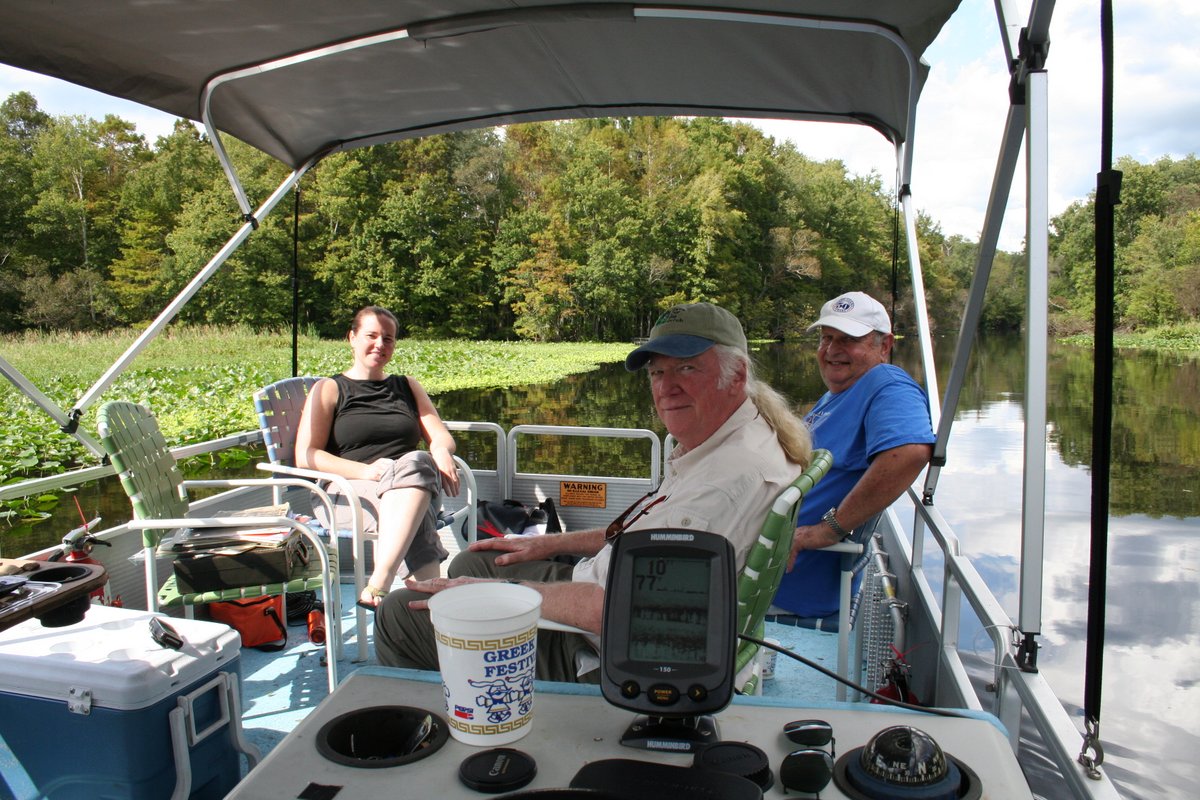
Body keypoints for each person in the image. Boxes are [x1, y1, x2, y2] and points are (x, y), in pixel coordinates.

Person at [374, 302, 812, 681]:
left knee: (399, 613)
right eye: (658, 372)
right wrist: (548, 543)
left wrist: (490, 595)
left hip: (603, 654)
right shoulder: (730, 440)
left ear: (737, 375)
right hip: (607, 594)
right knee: (476, 560)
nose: (666, 387)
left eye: (687, 368)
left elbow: (624, 609)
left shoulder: (722, 484)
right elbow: (648, 538)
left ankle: (457, 721)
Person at [772, 291, 935, 624]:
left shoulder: (887, 384)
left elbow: (909, 453)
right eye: (827, 338)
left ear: (884, 345)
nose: (832, 350)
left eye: (849, 340)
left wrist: (825, 530)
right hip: (767, 573)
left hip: (781, 591)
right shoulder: (839, 394)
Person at [295, 305, 461, 608]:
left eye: (388, 338)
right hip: (348, 491)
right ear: (352, 338)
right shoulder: (330, 389)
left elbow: (440, 435)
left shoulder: (407, 386)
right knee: (417, 512)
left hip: (413, 481)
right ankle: (427, 613)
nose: (380, 344)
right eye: (371, 336)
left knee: (418, 462)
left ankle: (380, 584)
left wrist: (439, 450)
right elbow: (306, 456)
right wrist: (367, 471)